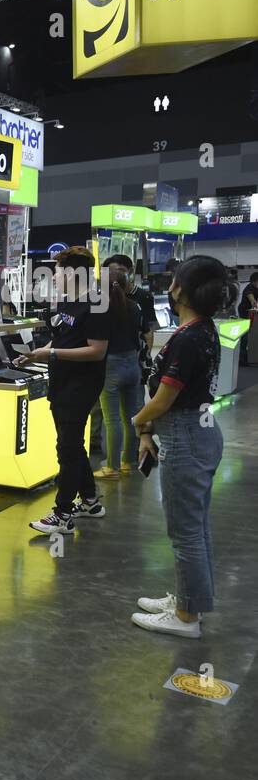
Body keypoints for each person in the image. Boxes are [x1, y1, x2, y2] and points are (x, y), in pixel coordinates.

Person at [130, 256, 228, 639]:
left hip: (184, 438)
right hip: (198, 432)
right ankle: (189, 602)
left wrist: (139, 421)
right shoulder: (200, 330)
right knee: (195, 528)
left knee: (185, 532)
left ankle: (186, 618)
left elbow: (163, 399)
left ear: (181, 290)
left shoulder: (188, 338)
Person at [24, 246, 110, 535]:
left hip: (81, 385)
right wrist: (38, 353)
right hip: (60, 382)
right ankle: (89, 500)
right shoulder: (66, 302)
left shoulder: (97, 304)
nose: (56, 276)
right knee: (72, 444)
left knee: (67, 449)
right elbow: (61, 340)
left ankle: (62, 514)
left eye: (59, 271)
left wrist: (54, 354)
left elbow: (97, 351)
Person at [94, 260, 148, 479]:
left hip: (110, 366)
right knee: (131, 418)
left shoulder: (100, 307)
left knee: (111, 420)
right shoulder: (134, 307)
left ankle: (111, 468)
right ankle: (128, 462)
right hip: (132, 364)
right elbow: (143, 334)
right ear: (126, 285)